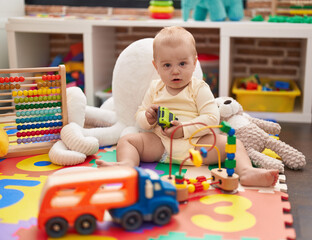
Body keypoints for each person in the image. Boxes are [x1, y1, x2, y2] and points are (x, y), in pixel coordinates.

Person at [96, 26, 279, 187]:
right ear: (156, 67)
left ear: (194, 63)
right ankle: (127, 165)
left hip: (196, 145)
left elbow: (211, 118)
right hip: (161, 146)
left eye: (182, 63)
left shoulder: (199, 88)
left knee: (234, 144)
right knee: (128, 140)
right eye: (167, 65)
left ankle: (246, 172)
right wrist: (148, 117)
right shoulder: (155, 88)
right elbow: (140, 115)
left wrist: (184, 129)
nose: (175, 71)